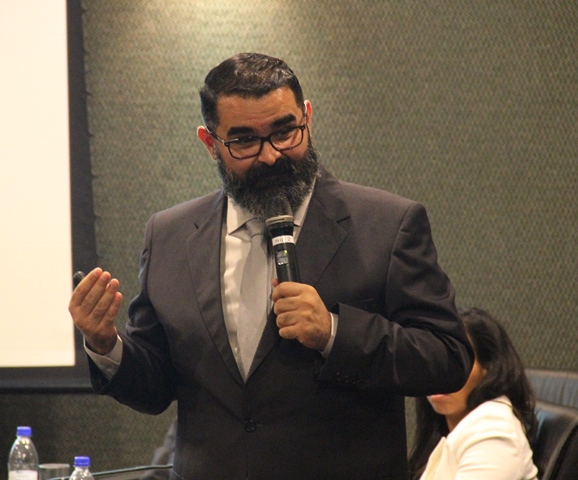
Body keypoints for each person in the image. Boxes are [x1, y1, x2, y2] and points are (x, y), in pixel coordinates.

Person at [69, 52, 474, 480]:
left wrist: (334, 332)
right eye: (245, 141)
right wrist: (106, 344)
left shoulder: (387, 225)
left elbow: (448, 358)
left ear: (308, 118)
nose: (270, 156)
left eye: (284, 132)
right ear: (210, 143)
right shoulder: (169, 235)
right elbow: (155, 387)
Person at [408, 307, 538, 480]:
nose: (439, 375)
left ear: (489, 368)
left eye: (453, 363)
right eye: (432, 362)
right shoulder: (445, 432)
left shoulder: (493, 431)